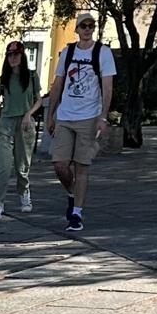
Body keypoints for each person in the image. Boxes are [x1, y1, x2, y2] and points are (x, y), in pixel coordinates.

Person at [44, 15, 115, 231]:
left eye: (91, 26)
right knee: (60, 165)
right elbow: (57, 84)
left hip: (89, 116)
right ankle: (71, 192)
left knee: (82, 166)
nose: (87, 29)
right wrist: (50, 115)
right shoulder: (68, 52)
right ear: (77, 29)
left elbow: (107, 86)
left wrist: (103, 116)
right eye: (83, 26)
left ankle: (76, 214)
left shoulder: (103, 52)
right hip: (65, 115)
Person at [0, 40, 42, 221]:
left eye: (16, 55)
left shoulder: (31, 77)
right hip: (6, 124)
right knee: (4, 167)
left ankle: (24, 192)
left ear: (22, 56)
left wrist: (29, 114)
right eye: (10, 55)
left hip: (25, 124)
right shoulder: (3, 79)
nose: (13, 58)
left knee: (22, 166)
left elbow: (38, 100)